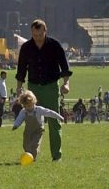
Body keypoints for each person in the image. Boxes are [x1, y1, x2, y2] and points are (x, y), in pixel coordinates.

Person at [15, 19, 72, 162]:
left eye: (40, 35)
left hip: (51, 87)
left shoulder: (55, 46)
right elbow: (21, 69)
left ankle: (56, 156)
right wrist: (19, 87)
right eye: (34, 35)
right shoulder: (26, 48)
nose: (37, 38)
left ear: (45, 31)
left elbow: (64, 67)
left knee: (54, 121)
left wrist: (66, 84)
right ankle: (31, 153)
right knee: (32, 122)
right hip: (33, 88)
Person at [11, 90, 65, 161]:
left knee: (35, 145)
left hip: (38, 131)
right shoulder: (24, 111)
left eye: (29, 106)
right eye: (25, 106)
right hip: (28, 131)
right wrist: (16, 125)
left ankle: (33, 158)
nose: (27, 108)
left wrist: (59, 117)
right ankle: (27, 155)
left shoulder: (39, 110)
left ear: (33, 102)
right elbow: (19, 119)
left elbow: (49, 112)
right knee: (26, 145)